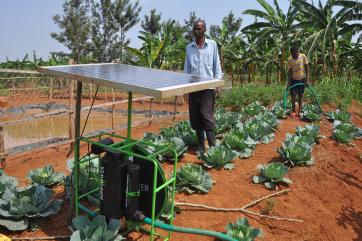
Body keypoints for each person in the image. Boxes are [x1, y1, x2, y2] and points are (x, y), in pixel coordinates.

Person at [184, 20, 222, 153]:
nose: (196, 31)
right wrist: (185, 88)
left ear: (205, 30)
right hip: (193, 87)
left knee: (206, 115)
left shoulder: (212, 45)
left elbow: (216, 65)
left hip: (207, 87)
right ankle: (201, 145)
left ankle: (212, 145)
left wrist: (217, 84)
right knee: (195, 116)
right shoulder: (189, 47)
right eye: (194, 29)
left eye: (199, 29)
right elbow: (187, 69)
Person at [287, 46, 310, 117]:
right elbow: (290, 72)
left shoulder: (303, 56)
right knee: (293, 95)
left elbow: (307, 68)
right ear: (291, 53)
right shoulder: (290, 59)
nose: (294, 56)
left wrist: (307, 80)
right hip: (293, 80)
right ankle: (294, 111)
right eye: (293, 55)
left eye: (296, 54)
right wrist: (288, 84)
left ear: (298, 52)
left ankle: (299, 112)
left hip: (302, 79)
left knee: (301, 95)